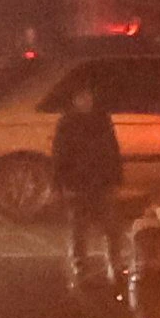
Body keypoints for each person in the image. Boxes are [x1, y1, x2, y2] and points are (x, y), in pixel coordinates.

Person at [50, 84, 123, 288]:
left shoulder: (102, 120)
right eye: (82, 97)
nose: (86, 101)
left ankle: (114, 264)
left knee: (110, 226)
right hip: (78, 183)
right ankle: (80, 267)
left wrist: (116, 177)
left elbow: (112, 149)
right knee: (78, 229)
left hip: (101, 181)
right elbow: (59, 154)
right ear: (75, 100)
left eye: (88, 96)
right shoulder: (67, 123)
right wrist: (59, 183)